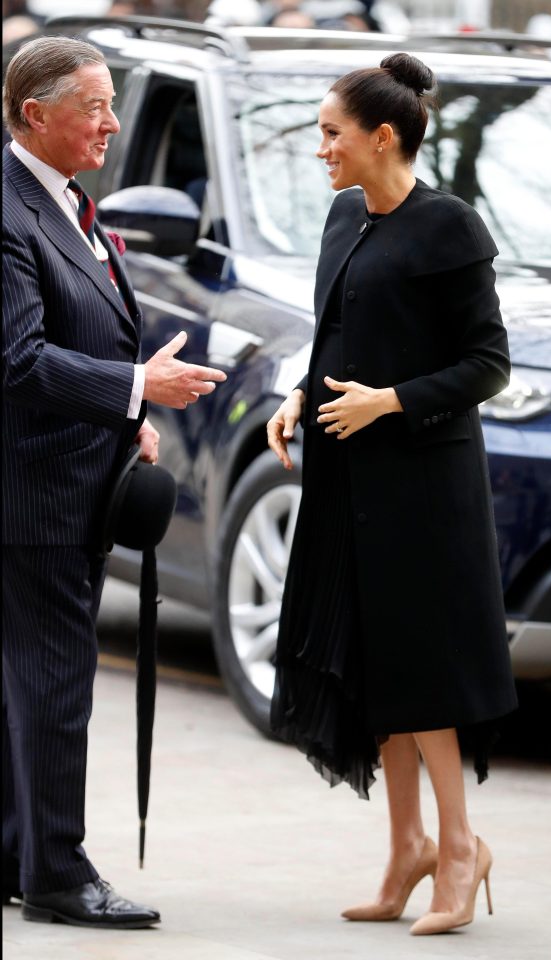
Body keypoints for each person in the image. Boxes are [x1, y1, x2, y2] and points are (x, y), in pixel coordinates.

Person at [267, 53, 518, 937]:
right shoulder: (346, 217)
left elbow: (488, 364)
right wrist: (301, 395)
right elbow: (337, 328)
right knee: (374, 663)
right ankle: (406, 847)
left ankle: (459, 849)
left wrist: (392, 401)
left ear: (382, 137)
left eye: (330, 134)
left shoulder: (448, 227)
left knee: (423, 669)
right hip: (346, 473)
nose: (320, 149)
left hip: (421, 480)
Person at [2, 36, 227, 928]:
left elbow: (75, 335)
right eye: (93, 106)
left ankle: (20, 851)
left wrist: (125, 413)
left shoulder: (64, 201)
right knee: (54, 686)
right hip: (34, 498)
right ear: (35, 116)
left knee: (27, 684)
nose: (111, 122)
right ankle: (57, 874)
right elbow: (17, 362)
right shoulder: (10, 211)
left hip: (72, 482)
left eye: (109, 103)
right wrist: (139, 386)